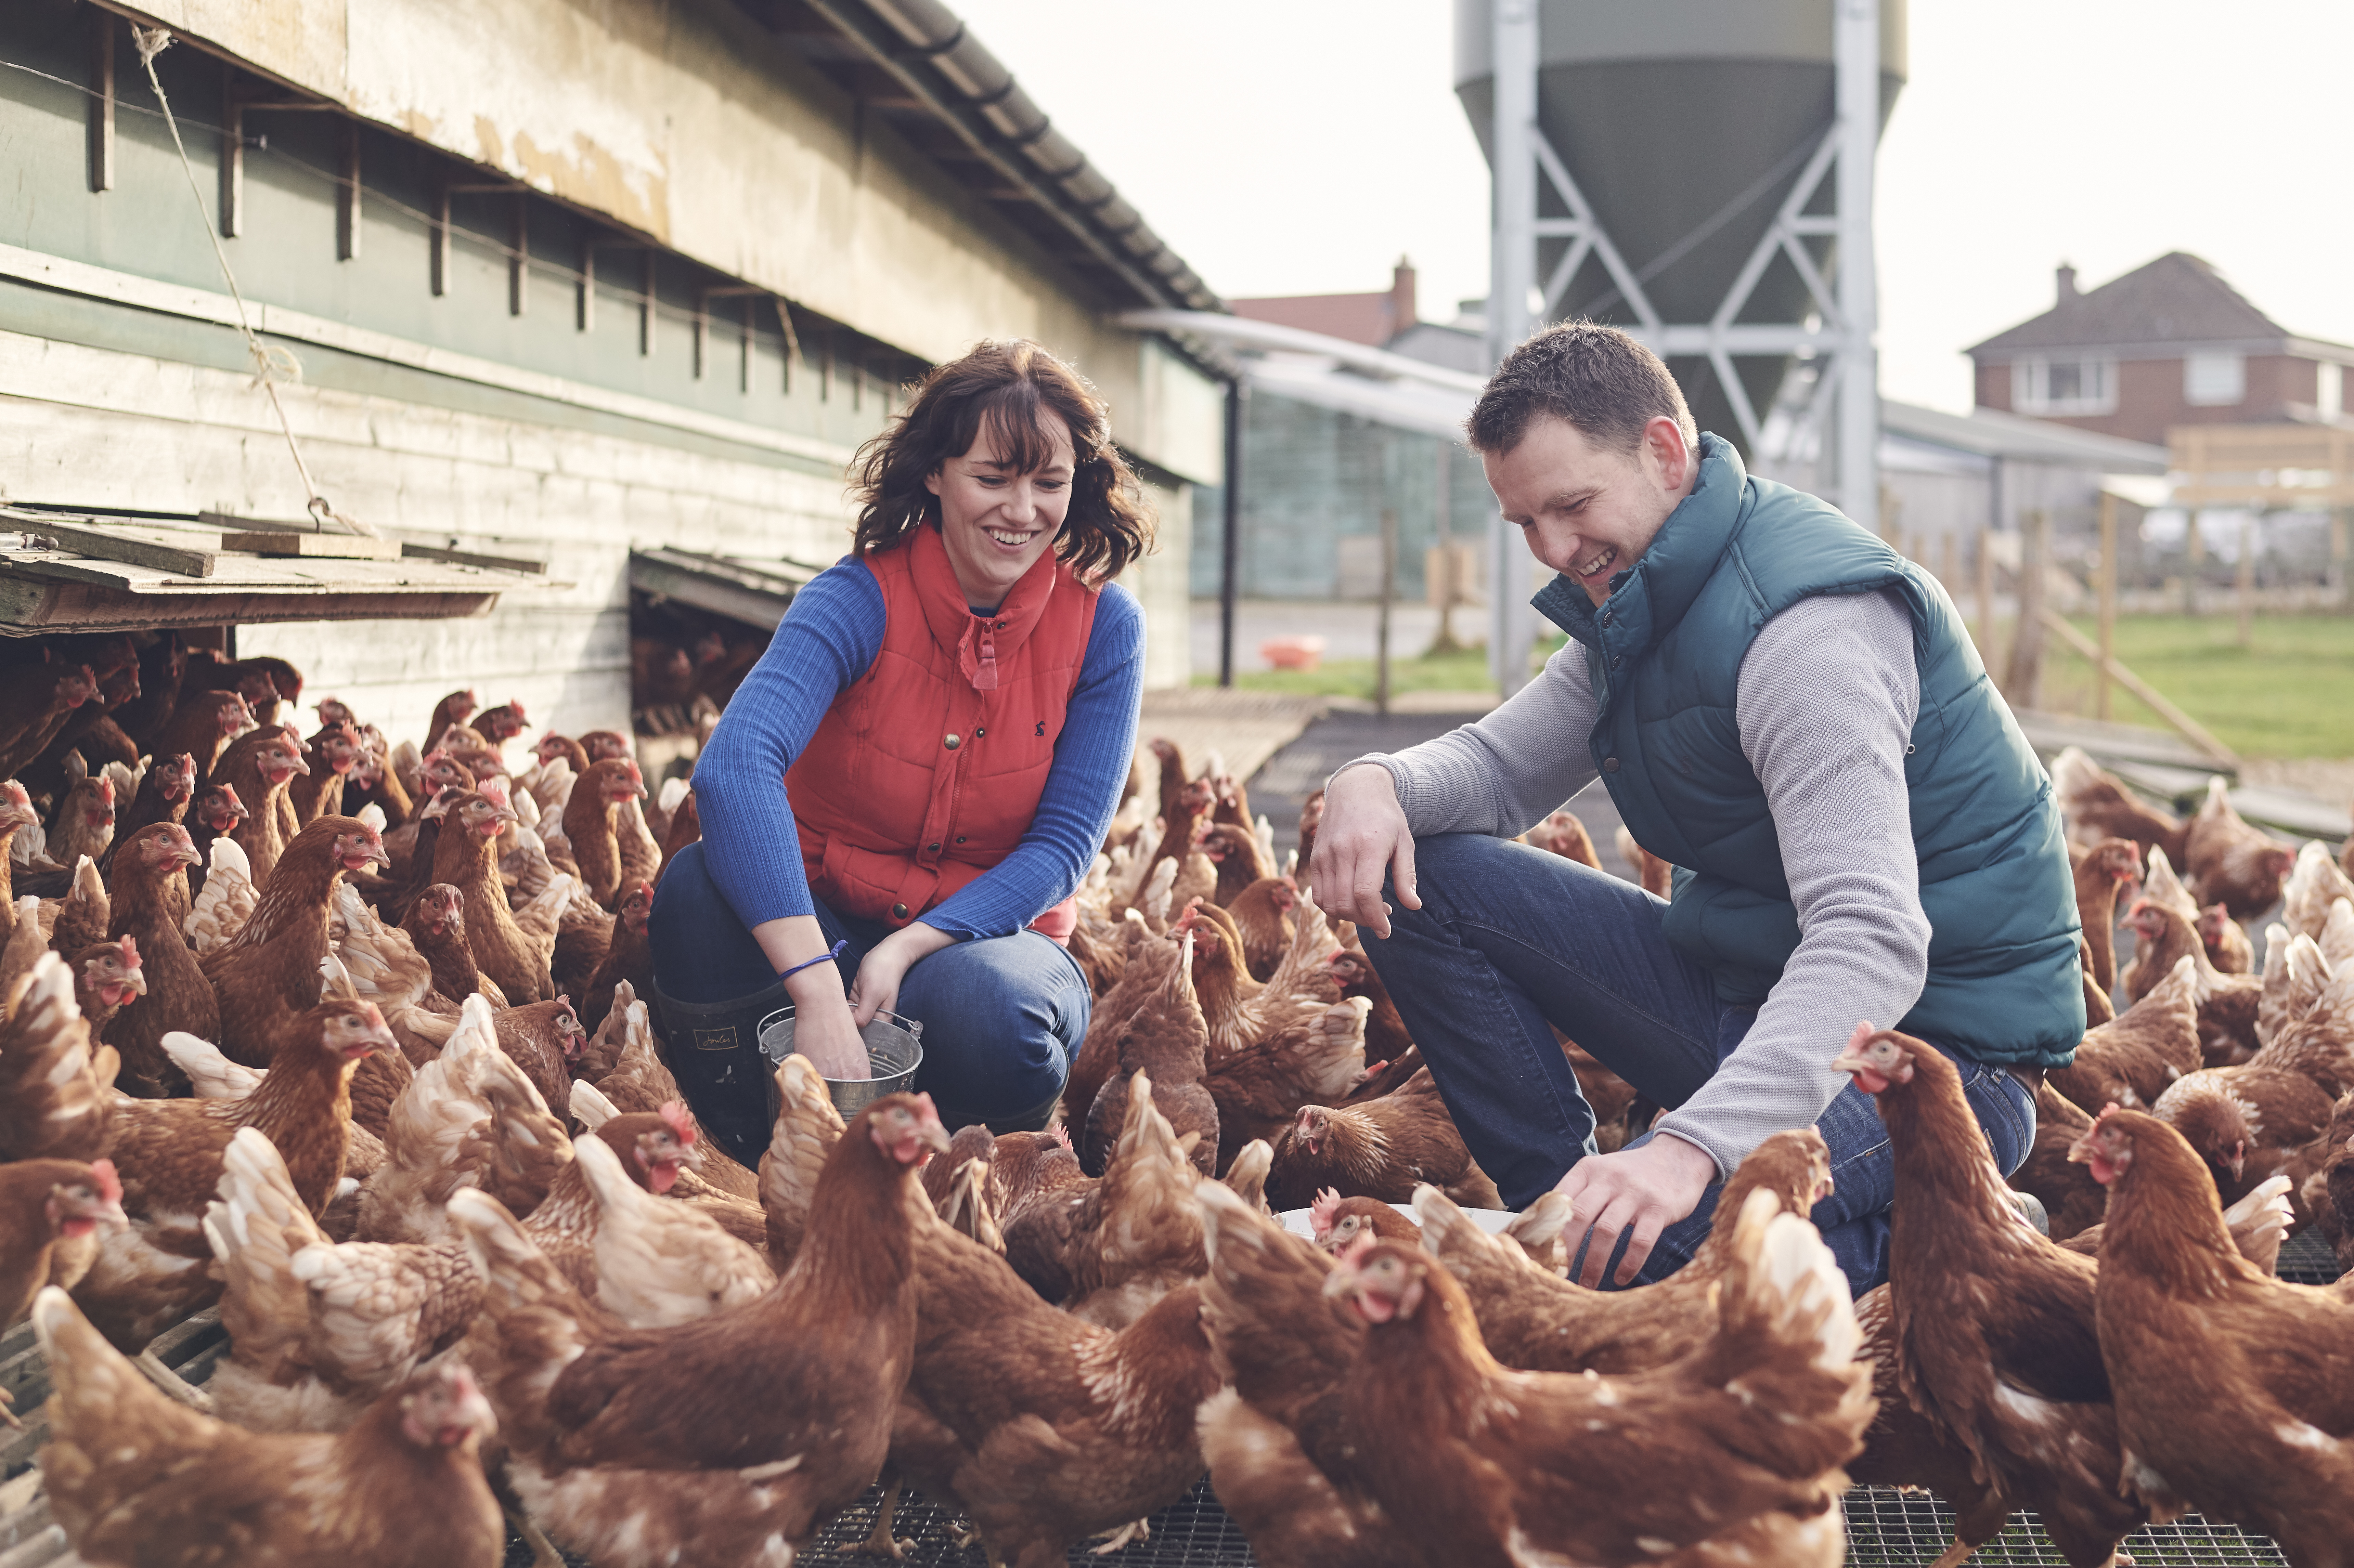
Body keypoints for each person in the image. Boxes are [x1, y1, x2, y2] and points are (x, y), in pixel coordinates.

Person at [1310, 323, 2082, 1296]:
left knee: (1670, 1269)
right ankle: (1567, 1218)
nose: (1554, 550)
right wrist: (1373, 781)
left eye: (1573, 505)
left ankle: (1976, 1241)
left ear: (1665, 453)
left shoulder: (1808, 638)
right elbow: (1500, 769)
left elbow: (1870, 940)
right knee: (1433, 879)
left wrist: (1693, 1150)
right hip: (1750, 997)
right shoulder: (1646, 594)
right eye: (1525, 526)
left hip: (1935, 1054)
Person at [651, 339, 1148, 1163]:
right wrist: (813, 982)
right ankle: (752, 1161)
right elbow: (735, 768)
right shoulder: (855, 598)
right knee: (693, 895)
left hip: (979, 942)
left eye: (1048, 483)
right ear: (935, 473)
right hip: (822, 915)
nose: (1021, 510)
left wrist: (914, 944)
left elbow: (1062, 847)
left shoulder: (1105, 628)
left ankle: (979, 1182)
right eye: (993, 478)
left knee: (996, 1012)